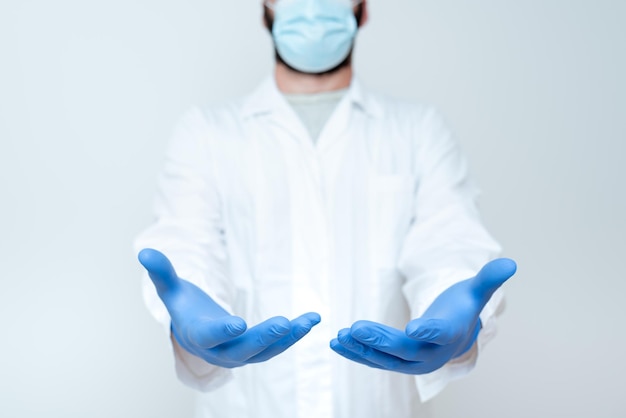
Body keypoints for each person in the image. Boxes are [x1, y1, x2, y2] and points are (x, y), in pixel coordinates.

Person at [134, 0, 517, 417]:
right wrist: (192, 314)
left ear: (364, 9)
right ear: (265, 7)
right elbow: (188, 246)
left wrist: (453, 307)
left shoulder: (419, 131)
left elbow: (448, 243)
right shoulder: (206, 134)